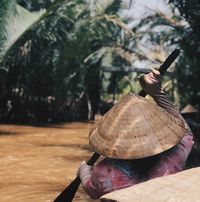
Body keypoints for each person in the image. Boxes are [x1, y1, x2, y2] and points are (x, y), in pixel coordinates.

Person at [77, 69, 194, 199]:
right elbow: (186, 133)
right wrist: (157, 93)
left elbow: (91, 190)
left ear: (115, 137)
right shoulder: (172, 159)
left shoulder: (104, 173)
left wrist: (83, 171)